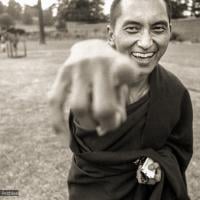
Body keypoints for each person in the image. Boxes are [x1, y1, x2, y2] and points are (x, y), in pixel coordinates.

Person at [48, 0, 193, 199]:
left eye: (158, 28)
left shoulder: (174, 91)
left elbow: (178, 148)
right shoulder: (94, 89)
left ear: (170, 29)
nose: (146, 42)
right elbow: (89, 155)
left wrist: (156, 163)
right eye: (132, 28)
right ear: (111, 34)